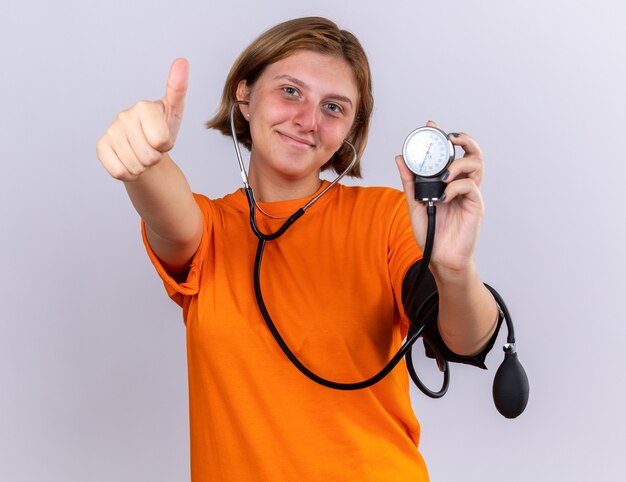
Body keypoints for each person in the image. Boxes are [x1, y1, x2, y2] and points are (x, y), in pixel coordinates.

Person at [96, 16, 501, 481]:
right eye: (290, 91)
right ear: (244, 97)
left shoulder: (387, 217)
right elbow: (166, 207)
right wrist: (144, 160)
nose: (308, 120)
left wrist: (453, 266)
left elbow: (463, 340)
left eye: (334, 107)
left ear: (349, 130)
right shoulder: (210, 231)